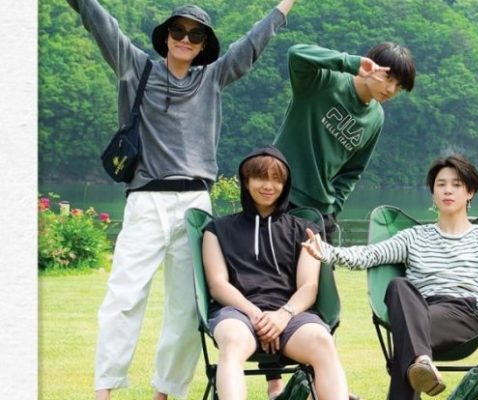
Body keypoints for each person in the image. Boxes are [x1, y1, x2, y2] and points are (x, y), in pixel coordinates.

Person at [65, 0, 298, 398]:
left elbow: (251, 45)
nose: (185, 40)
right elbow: (99, 21)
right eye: (178, 31)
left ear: (204, 44)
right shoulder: (137, 68)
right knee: (123, 297)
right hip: (146, 199)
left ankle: (166, 392)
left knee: (187, 306)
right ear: (166, 36)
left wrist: (284, 6)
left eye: (196, 34)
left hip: (194, 205)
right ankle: (104, 391)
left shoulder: (212, 78)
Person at [301, 155, 478, 399]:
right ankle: (421, 361)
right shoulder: (413, 237)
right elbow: (368, 255)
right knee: (398, 286)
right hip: (420, 309)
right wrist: (325, 251)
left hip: (464, 314)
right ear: (433, 193)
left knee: (405, 341)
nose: (447, 190)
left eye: (456, 184)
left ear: (470, 192)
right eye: (440, 184)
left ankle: (417, 359)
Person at [202, 146, 348, 400]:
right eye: (261, 178)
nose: (269, 186)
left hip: (292, 316)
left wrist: (282, 315)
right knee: (232, 341)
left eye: (277, 179)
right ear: (246, 181)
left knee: (322, 341)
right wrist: (256, 315)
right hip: (237, 313)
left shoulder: (305, 230)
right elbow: (217, 284)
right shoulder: (217, 230)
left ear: (285, 185)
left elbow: (309, 286)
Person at [272, 42, 416, 243]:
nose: (391, 89)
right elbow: (296, 54)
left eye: (399, 86)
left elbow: (353, 170)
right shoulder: (324, 81)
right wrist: (350, 63)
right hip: (278, 194)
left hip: (321, 213)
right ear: (370, 65)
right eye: (388, 78)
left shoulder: (376, 117)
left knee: (320, 265)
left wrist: (334, 207)